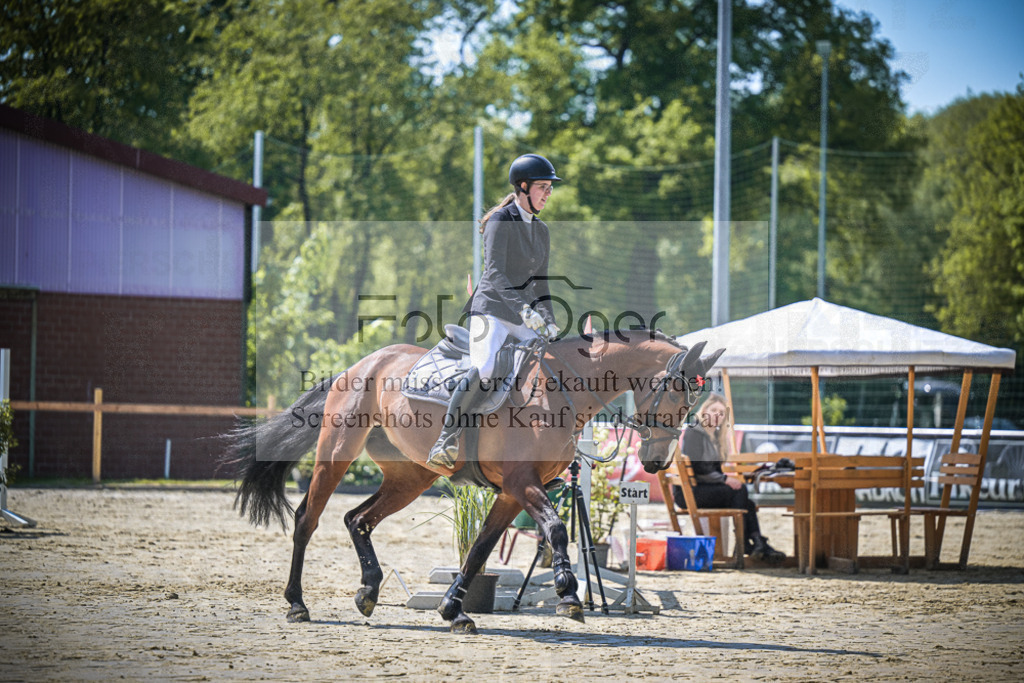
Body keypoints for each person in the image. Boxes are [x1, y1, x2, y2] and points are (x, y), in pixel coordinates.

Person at [427, 153, 562, 468]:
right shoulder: (502, 221)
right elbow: (496, 274)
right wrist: (525, 311)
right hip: (491, 311)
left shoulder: (541, 230)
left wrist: (550, 321)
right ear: (523, 187)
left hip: (522, 315)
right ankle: (446, 439)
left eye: (549, 188)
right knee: (486, 368)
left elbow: (541, 283)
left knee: (549, 366)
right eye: (543, 187)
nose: (548, 193)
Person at [674, 393, 785, 562]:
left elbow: (713, 470)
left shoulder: (716, 437)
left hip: (702, 488)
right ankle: (751, 543)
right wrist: (726, 480)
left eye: (721, 413)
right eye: (714, 410)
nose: (717, 415)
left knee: (748, 502)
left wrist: (726, 480)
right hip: (689, 492)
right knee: (739, 490)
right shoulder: (694, 432)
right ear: (704, 411)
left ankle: (754, 542)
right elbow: (698, 468)